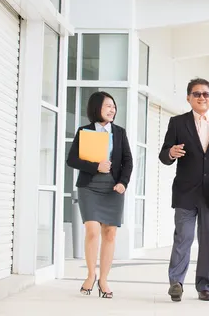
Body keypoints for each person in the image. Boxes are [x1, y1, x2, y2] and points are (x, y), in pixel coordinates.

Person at [159, 78, 209, 302]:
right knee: (183, 237)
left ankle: (206, 286)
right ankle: (176, 282)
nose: (201, 97)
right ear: (188, 98)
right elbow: (164, 154)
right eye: (196, 94)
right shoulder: (177, 122)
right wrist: (171, 153)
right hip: (186, 191)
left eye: (206, 94)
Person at [67, 91, 133, 299]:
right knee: (93, 231)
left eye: (114, 106)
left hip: (113, 188)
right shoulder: (84, 131)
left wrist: (123, 182)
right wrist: (96, 166)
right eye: (107, 106)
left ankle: (104, 279)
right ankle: (90, 275)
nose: (112, 109)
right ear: (97, 108)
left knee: (110, 233)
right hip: (89, 186)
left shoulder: (120, 133)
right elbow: (72, 160)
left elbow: (128, 161)